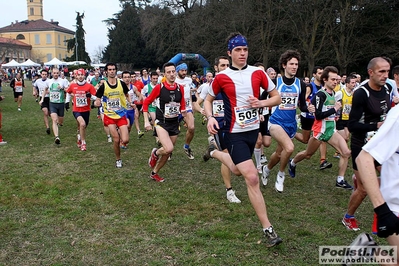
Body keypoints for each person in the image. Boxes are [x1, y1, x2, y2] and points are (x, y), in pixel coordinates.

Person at [203, 32, 282, 247]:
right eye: (238, 50)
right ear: (229, 53)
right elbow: (207, 100)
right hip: (232, 133)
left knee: (238, 170)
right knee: (252, 177)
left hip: (252, 132)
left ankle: (213, 152)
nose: (242, 53)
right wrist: (210, 117)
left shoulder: (258, 73)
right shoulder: (221, 77)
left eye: (245, 49)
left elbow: (277, 97)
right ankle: (269, 229)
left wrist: (261, 104)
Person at [343, 57, 392, 231]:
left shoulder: (387, 88)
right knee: (363, 190)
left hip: (382, 145)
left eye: (388, 71)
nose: (386, 75)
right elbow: (352, 125)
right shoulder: (361, 93)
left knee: (390, 180)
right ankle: (348, 217)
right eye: (382, 72)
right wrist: (375, 126)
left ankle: (382, 218)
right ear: (370, 72)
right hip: (362, 147)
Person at [287, 66, 352, 189]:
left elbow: (328, 112)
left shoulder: (333, 93)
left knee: (346, 152)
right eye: (332, 79)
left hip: (331, 130)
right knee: (308, 154)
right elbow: (318, 115)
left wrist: (335, 115)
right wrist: (335, 109)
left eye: (336, 79)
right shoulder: (320, 95)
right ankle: (293, 162)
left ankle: (340, 180)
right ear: (325, 80)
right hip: (320, 131)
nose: (335, 82)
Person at [261, 50, 315, 193]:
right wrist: (260, 111)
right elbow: (262, 96)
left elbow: (301, 105)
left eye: (296, 64)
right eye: (291, 64)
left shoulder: (301, 84)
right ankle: (281, 174)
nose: (294, 67)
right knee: (290, 148)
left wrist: (308, 108)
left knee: (279, 153)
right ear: (284, 65)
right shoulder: (274, 82)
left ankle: (267, 169)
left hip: (290, 124)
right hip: (275, 122)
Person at [356, 104, 399, 263]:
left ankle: (367, 247)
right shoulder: (398, 117)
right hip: (395, 207)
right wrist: (382, 211)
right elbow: (364, 158)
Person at [201, 56, 241, 203]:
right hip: (219, 126)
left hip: (235, 125)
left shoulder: (234, 83)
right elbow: (198, 103)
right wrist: (207, 114)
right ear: (216, 67)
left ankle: (212, 152)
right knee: (228, 157)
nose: (225, 67)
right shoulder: (209, 86)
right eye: (222, 65)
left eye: (227, 65)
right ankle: (229, 190)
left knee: (236, 157)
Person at [143, 62, 186, 182]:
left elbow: (182, 106)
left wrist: (184, 115)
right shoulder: (159, 87)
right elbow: (146, 102)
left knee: (167, 153)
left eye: (173, 71)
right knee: (168, 149)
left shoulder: (180, 88)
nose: (172, 74)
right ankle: (156, 153)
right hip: (161, 122)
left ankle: (154, 173)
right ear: (164, 74)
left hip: (174, 123)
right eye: (169, 72)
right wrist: (146, 121)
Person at [94, 63, 134, 168]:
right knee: (116, 139)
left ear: (116, 71)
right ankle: (118, 159)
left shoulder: (121, 84)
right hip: (110, 115)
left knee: (125, 140)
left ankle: (120, 135)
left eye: (113, 69)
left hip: (121, 115)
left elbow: (127, 94)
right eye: (110, 69)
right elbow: (97, 98)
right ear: (106, 72)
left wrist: (130, 102)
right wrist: (97, 102)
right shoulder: (103, 86)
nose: (112, 71)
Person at [66, 68, 97, 151]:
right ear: (76, 76)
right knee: (82, 124)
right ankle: (83, 143)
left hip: (86, 110)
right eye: (78, 75)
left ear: (84, 75)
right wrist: (66, 102)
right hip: (76, 110)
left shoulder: (89, 86)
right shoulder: (73, 85)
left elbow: (96, 97)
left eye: (82, 75)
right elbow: (68, 93)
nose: (80, 77)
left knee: (83, 126)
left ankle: (79, 137)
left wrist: (90, 96)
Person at [40, 67, 70, 145]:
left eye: (57, 73)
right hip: (52, 103)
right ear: (52, 73)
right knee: (54, 120)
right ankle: (57, 137)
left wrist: (63, 88)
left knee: (60, 121)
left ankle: (60, 124)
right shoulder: (49, 81)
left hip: (60, 103)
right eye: (54, 73)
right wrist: (42, 99)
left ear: (59, 73)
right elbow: (45, 90)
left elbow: (68, 90)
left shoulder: (63, 81)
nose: (56, 74)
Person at [333, 74, 357, 158]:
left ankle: (339, 152)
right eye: (352, 83)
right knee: (344, 137)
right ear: (347, 83)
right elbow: (333, 102)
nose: (354, 84)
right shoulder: (340, 93)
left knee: (346, 138)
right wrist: (336, 113)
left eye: (355, 83)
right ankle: (342, 152)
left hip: (348, 118)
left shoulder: (354, 94)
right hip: (340, 118)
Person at [175, 63, 196, 159]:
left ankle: (186, 147)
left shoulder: (189, 80)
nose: (184, 72)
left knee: (191, 128)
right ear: (177, 71)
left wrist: (192, 106)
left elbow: (191, 94)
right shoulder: (173, 80)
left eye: (185, 70)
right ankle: (169, 150)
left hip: (187, 107)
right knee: (172, 133)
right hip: (175, 108)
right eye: (182, 70)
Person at [34, 69, 51, 134]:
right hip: (42, 99)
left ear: (47, 75)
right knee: (45, 112)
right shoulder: (38, 81)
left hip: (50, 98)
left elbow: (53, 89)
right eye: (43, 74)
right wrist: (34, 91)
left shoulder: (50, 81)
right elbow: (34, 86)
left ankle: (55, 122)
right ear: (41, 75)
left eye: (45, 74)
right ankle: (47, 127)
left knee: (50, 113)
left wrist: (48, 91)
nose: (44, 76)